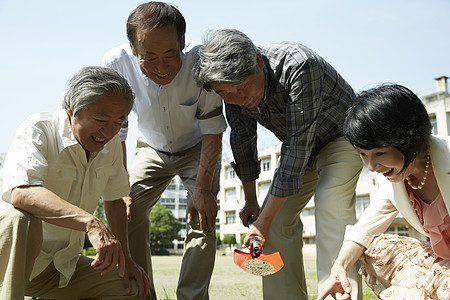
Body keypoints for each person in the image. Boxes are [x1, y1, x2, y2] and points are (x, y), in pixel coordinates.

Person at [193, 29, 363, 299]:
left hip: (341, 137)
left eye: (243, 87)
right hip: (301, 150)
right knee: (277, 223)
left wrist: (263, 220)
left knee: (331, 204)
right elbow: (243, 142)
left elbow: (296, 146)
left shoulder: (299, 65)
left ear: (259, 62)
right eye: (227, 94)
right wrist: (252, 203)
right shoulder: (233, 92)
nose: (239, 98)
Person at [101, 2, 227, 299]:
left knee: (203, 217)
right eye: (149, 58)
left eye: (171, 54)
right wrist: (121, 186)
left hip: (197, 146)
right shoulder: (115, 63)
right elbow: (116, 130)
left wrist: (204, 190)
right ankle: (141, 293)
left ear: (182, 44)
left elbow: (212, 129)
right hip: (151, 147)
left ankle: (191, 297)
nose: (161, 67)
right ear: (133, 50)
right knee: (127, 213)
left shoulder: (201, 60)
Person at [0, 66, 150, 300]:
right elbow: (22, 193)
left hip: (60, 270)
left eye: (118, 122)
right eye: (101, 119)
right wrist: (90, 222)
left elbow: (115, 200)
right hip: (9, 267)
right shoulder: (39, 129)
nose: (109, 131)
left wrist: (127, 260)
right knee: (19, 216)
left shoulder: (109, 145)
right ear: (71, 109)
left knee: (132, 286)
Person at [318, 84, 450, 300]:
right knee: (378, 247)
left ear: (409, 140)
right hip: (444, 259)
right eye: (363, 154)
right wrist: (339, 268)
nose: (372, 166)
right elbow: (364, 229)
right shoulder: (393, 180)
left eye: (380, 153)